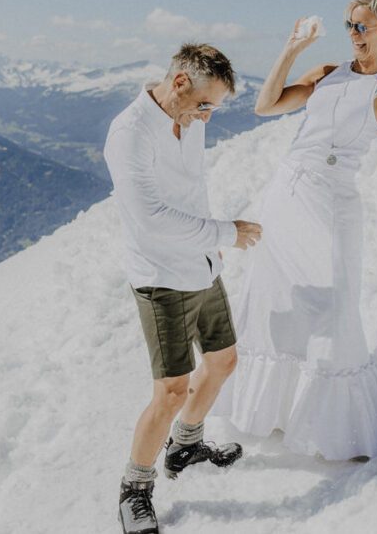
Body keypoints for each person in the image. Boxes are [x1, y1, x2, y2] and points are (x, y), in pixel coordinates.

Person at [215, 0, 377, 461]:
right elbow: (266, 106)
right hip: (286, 197)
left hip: (332, 206)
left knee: (335, 309)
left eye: (362, 26)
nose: (352, 34)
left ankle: (339, 430)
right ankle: (275, 412)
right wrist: (292, 48)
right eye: (350, 25)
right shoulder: (328, 74)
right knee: (273, 299)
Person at [104, 43, 263, 534]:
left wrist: (213, 250)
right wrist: (225, 234)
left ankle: (186, 445)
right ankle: (135, 488)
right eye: (204, 105)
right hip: (161, 279)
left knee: (223, 361)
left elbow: (190, 194)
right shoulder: (129, 134)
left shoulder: (186, 122)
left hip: (201, 265)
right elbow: (150, 221)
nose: (207, 116)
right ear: (178, 84)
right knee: (171, 391)